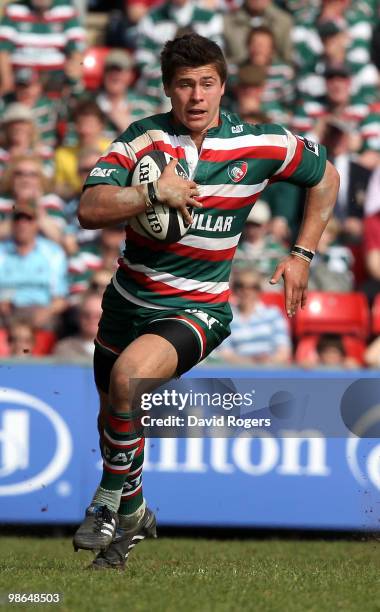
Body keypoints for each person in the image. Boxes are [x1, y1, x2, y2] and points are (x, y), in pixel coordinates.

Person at [72, 33, 339, 568]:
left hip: (199, 307)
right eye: (185, 85)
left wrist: (303, 254)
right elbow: (90, 206)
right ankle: (134, 514)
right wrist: (152, 194)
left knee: (129, 380)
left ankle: (105, 504)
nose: (197, 95)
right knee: (114, 418)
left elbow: (326, 175)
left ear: (223, 87)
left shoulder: (260, 143)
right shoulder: (142, 140)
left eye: (208, 84)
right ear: (169, 90)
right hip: (128, 300)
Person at [217, 270, 291, 365]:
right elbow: (225, 354)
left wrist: (266, 364)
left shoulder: (273, 314)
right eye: (241, 286)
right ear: (235, 289)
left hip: (269, 372)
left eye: (253, 287)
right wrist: (252, 363)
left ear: (259, 290)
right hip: (237, 373)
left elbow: (283, 352)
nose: (246, 291)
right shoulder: (226, 318)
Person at [53, 291, 102, 359]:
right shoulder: (64, 348)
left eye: (98, 316)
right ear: (79, 317)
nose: (92, 319)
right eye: (86, 315)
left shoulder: (116, 349)